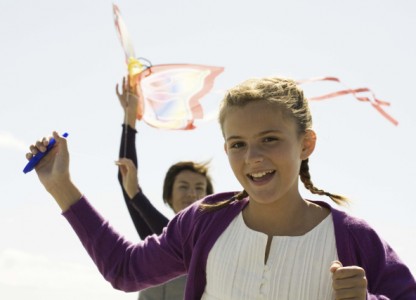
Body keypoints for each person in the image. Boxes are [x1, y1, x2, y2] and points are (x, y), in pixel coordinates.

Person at [26, 77, 416, 299]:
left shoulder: (353, 238)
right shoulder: (203, 223)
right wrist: (61, 186)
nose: (253, 158)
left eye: (269, 139)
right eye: (238, 144)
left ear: (307, 144)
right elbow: (125, 270)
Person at [114, 77, 214, 300]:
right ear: (169, 195)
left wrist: (137, 196)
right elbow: (125, 177)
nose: (192, 193)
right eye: (183, 186)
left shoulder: (210, 242)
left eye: (200, 187)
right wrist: (130, 120)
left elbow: (180, 242)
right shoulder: (155, 236)